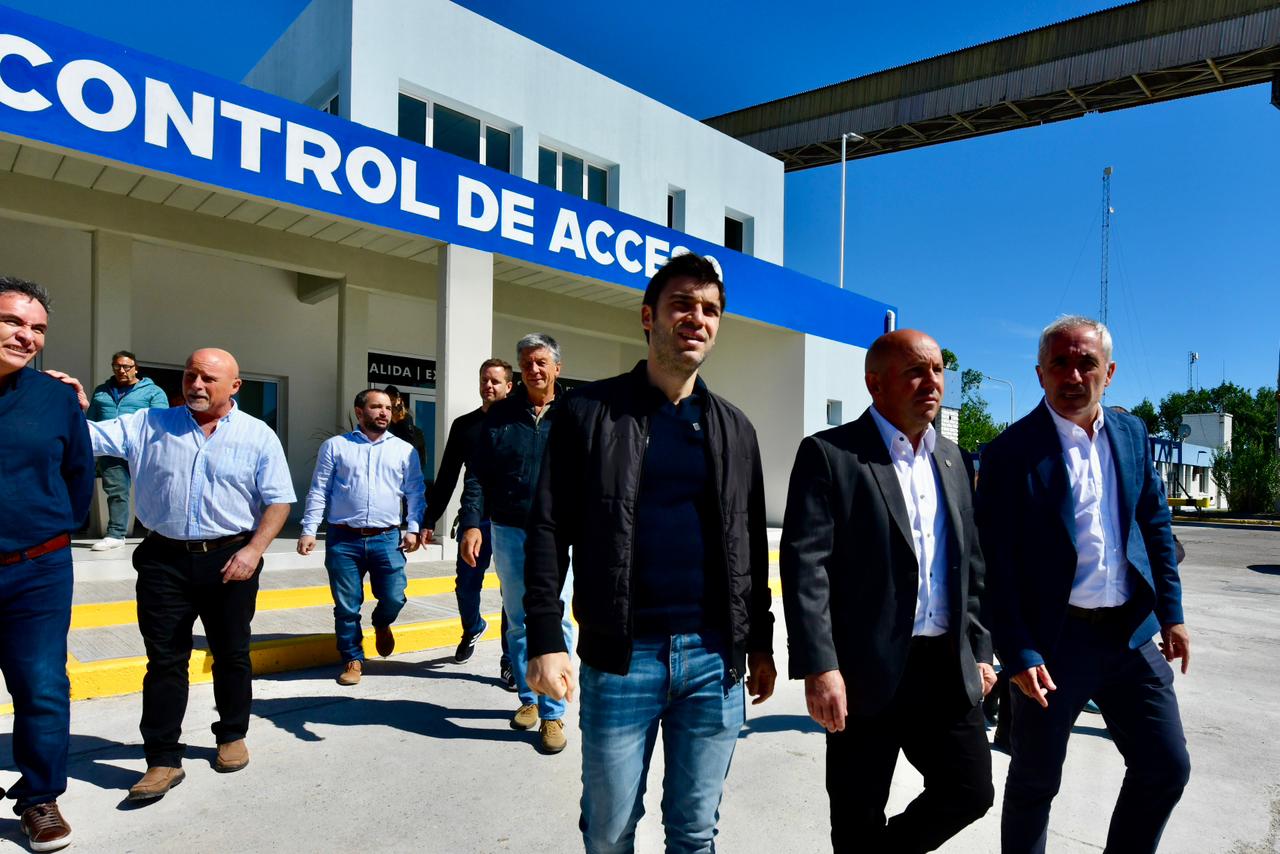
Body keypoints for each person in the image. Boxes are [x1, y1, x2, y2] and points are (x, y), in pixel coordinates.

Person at [524, 252, 777, 852]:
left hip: (715, 661)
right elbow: (546, 530)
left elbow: (751, 546)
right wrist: (544, 638)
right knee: (609, 831)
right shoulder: (588, 413)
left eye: (710, 309)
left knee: (695, 832)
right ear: (648, 316)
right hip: (621, 656)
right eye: (682, 305)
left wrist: (760, 641)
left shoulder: (735, 428)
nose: (698, 318)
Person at [976, 316, 1191, 853]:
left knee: (1165, 768)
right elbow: (993, 567)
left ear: (1109, 372)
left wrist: (1172, 612)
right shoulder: (1009, 453)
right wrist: (1018, 651)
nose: (1074, 375)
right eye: (1060, 364)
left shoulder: (1132, 433)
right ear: (1040, 373)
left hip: (1130, 637)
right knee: (1034, 784)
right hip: (1052, 647)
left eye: (1086, 363)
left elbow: (1155, 527)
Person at [780, 328, 996, 852]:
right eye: (915, 371)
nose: (932, 382)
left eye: (938, 370)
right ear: (875, 384)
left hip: (944, 668)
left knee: (970, 790)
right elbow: (806, 567)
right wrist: (819, 666)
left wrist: (981, 649)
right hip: (863, 672)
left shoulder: (953, 459)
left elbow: (969, 566)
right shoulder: (831, 454)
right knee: (856, 811)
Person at [56, 348, 295, 802]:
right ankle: (163, 758)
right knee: (164, 662)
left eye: (207, 378)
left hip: (231, 559)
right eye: (190, 376)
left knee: (231, 654)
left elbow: (279, 501)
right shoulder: (149, 424)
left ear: (235, 387)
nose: (196, 385)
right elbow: (85, 437)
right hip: (163, 559)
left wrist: (253, 551)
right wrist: (70, 404)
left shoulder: (258, 435)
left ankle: (231, 734)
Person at [0, 277, 91, 852]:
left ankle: (39, 798)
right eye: (13, 322)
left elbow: (79, 477)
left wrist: (49, 533)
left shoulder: (57, 398)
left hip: (37, 569)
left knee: (41, 686)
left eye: (38, 329)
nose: (27, 336)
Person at [459, 333, 573, 753]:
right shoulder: (501, 415)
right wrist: (472, 521)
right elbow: (477, 474)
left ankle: (554, 714)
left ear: (556, 368)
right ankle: (530, 697)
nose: (533, 369)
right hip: (508, 528)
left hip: (559, 532)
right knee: (518, 617)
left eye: (541, 362)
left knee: (557, 619)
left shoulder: (574, 412)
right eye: (526, 363)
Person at [298, 389, 425, 685]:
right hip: (344, 538)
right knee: (346, 606)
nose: (384, 412)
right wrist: (308, 529)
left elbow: (415, 492)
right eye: (376, 407)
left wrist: (414, 527)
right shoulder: (336, 446)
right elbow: (319, 490)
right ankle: (353, 658)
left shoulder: (404, 450)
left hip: (387, 538)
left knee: (394, 595)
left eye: (388, 408)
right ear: (359, 411)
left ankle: (382, 622)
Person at [421, 358, 514, 679]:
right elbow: (447, 475)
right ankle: (472, 627)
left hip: (512, 521)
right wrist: (429, 518)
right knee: (466, 584)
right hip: (475, 520)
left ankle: (509, 660)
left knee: (511, 592)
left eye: (495, 381)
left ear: (509, 386)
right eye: (484, 380)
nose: (488, 386)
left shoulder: (519, 424)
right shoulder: (465, 425)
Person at [86, 350, 168, 550]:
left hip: (142, 448)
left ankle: (158, 531)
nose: (121, 370)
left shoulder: (153, 392)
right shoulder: (101, 391)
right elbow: (91, 421)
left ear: (136, 368)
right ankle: (116, 534)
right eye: (117, 366)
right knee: (116, 491)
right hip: (109, 448)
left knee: (153, 489)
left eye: (126, 366)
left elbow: (161, 420)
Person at [384, 384, 427, 472]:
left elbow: (420, 461)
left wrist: (404, 420)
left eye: (393, 401)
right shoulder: (379, 431)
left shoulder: (416, 431)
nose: (393, 406)